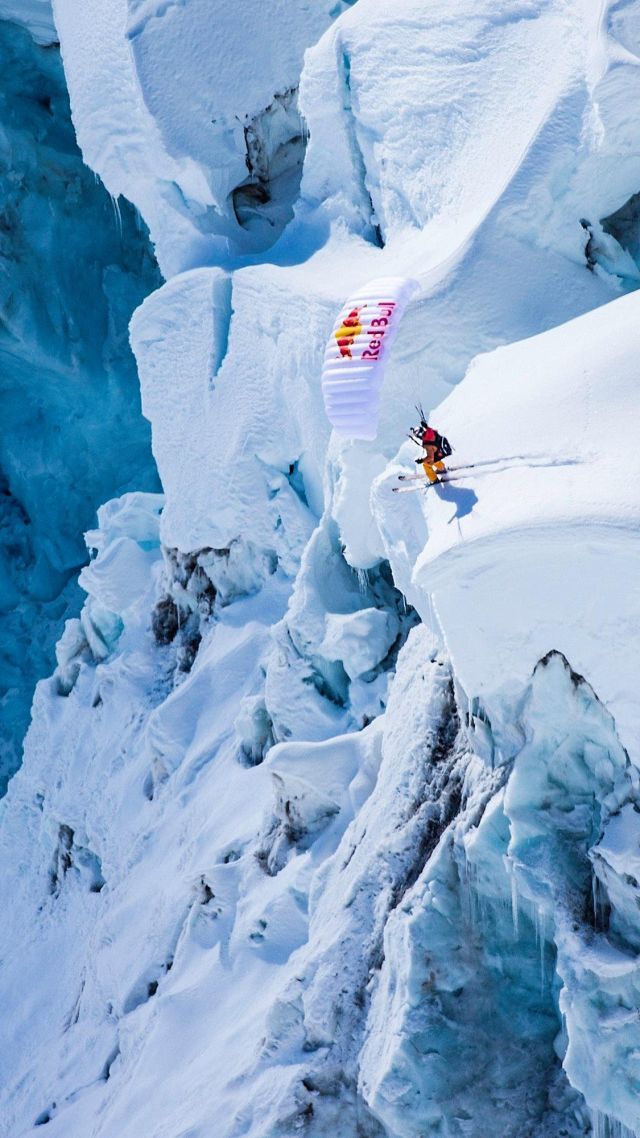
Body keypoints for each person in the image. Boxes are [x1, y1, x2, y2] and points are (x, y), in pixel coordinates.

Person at [409, 409, 452, 484]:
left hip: (439, 453)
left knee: (426, 465)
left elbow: (430, 457)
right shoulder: (429, 433)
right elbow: (432, 432)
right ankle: (441, 469)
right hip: (441, 451)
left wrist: (421, 460)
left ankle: (434, 479)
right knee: (435, 458)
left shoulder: (426, 442)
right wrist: (427, 427)